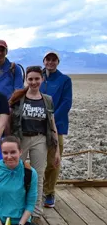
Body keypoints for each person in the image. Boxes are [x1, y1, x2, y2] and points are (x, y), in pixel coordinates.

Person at [9, 66, 60, 225]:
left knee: (37, 176)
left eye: (37, 79)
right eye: (30, 79)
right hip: (21, 139)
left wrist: (56, 149)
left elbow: (52, 124)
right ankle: (17, 210)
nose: (33, 82)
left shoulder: (47, 99)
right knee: (17, 174)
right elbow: (10, 120)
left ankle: (36, 213)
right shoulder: (18, 98)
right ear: (26, 80)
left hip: (40, 139)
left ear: (42, 79)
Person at [40, 51, 73, 208]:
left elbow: (66, 103)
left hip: (56, 126)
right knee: (37, 159)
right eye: (48, 59)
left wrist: (51, 119)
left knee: (53, 160)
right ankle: (38, 189)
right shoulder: (37, 77)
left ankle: (50, 192)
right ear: (44, 61)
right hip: (36, 125)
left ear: (58, 62)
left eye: (54, 60)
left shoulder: (64, 80)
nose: (51, 62)